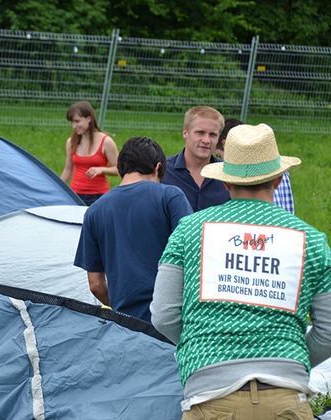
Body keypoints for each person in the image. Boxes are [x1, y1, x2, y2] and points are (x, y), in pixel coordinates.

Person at [151, 123, 331, 418]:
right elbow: (328, 330)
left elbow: (164, 314)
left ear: (225, 182)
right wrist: (288, 361)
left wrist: (202, 350)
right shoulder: (311, 239)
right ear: (278, 180)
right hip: (286, 398)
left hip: (209, 396)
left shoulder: (190, 230)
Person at [74, 136, 193, 322]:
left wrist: (122, 309)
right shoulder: (170, 196)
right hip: (170, 317)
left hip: (126, 324)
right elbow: (193, 254)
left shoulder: (95, 210)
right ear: (158, 168)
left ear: (120, 171)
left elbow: (95, 284)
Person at [217, 118, 296, 214]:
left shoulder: (203, 223)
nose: (221, 160)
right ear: (278, 178)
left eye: (220, 156)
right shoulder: (281, 172)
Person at [161, 106, 229, 212]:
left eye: (212, 135)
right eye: (200, 133)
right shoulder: (163, 172)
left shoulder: (228, 175)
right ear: (185, 133)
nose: (206, 140)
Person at [60, 101, 118, 206]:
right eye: (72, 122)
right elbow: (68, 170)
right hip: (75, 195)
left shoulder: (106, 141)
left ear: (89, 119)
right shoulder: (71, 142)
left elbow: (119, 169)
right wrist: (56, 188)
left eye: (77, 121)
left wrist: (101, 169)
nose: (74, 126)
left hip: (99, 196)